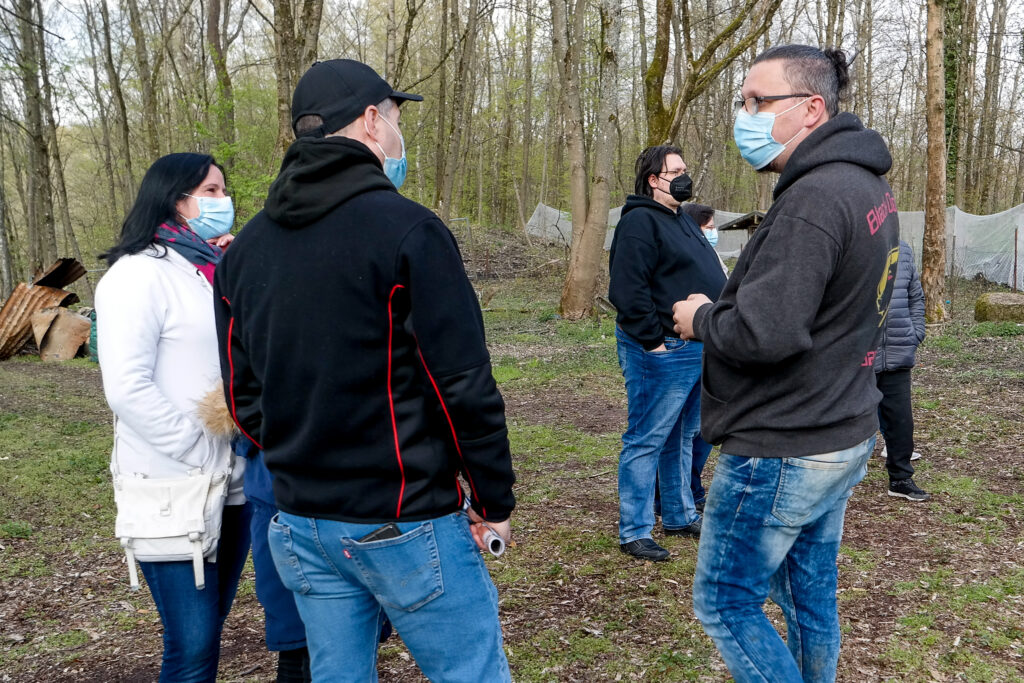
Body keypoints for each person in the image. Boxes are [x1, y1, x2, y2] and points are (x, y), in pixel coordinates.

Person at [212, 59, 516, 682]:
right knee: (471, 672)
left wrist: (305, 459)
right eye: (397, 118)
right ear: (373, 121)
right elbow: (460, 384)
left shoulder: (245, 250)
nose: (401, 136)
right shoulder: (409, 231)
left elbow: (244, 400)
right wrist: (491, 497)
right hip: (400, 516)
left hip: (301, 518)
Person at [672, 45, 899, 681]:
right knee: (807, 596)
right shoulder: (867, 186)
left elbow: (766, 334)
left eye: (757, 102)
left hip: (785, 442)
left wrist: (701, 319)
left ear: (811, 109)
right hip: (841, 426)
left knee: (725, 602)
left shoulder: (814, 200)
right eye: (742, 102)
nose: (743, 116)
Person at [95, 153, 250, 683]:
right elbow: (126, 387)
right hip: (172, 486)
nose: (222, 201)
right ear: (175, 197)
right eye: (211, 190)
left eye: (222, 190)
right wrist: (199, 447)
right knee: (192, 645)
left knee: (208, 631)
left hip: (231, 486)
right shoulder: (136, 276)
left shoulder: (206, 269)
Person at [608, 145, 727, 562]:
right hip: (661, 348)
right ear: (653, 180)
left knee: (682, 434)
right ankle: (634, 530)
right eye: (674, 170)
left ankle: (679, 514)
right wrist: (653, 342)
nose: (683, 176)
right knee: (646, 437)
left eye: (685, 168)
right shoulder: (640, 222)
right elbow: (627, 289)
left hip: (696, 346)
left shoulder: (683, 220)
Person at [875, 240, 930, 502]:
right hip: (859, 356)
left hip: (898, 352)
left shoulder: (904, 250)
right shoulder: (849, 242)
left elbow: (915, 296)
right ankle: (839, 479)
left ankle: (900, 478)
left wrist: (915, 333)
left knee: (900, 421)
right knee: (852, 421)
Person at [680, 202, 728, 276]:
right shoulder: (685, 259)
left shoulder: (710, 251)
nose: (714, 231)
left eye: (714, 227)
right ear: (693, 228)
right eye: (709, 227)